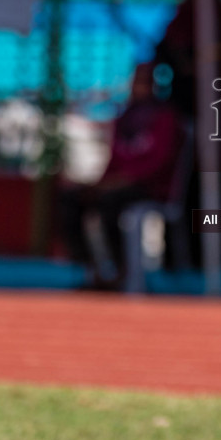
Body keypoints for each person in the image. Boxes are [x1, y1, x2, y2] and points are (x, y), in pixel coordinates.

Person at [63, 62, 185, 288]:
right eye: (136, 81)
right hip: (117, 185)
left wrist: (122, 181)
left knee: (111, 204)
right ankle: (92, 270)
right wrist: (98, 184)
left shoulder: (165, 117)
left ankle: (123, 273)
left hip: (150, 188)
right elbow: (114, 160)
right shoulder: (125, 117)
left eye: (145, 81)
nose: (139, 87)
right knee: (72, 198)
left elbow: (159, 164)